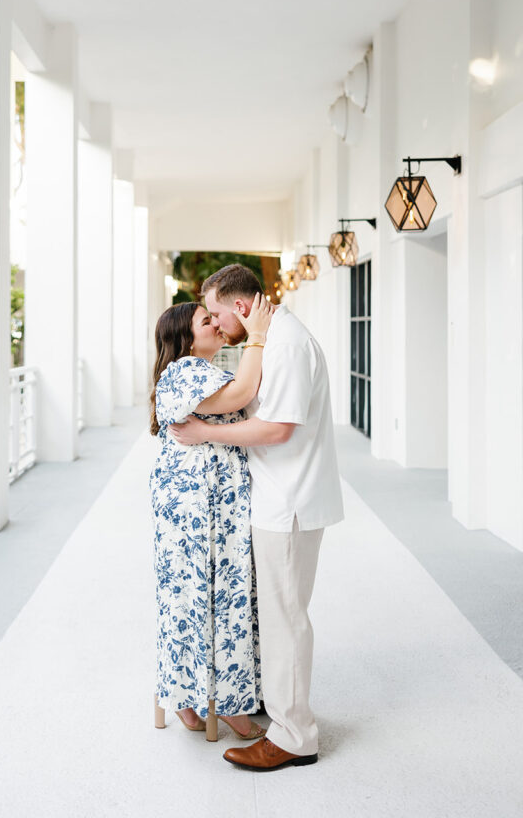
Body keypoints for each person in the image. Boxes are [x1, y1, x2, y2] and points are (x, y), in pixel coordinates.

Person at [171, 264, 344, 771]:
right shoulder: (276, 337)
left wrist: (205, 433)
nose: (218, 325)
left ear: (240, 306)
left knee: (285, 619)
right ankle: (282, 708)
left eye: (218, 313)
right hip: (280, 496)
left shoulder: (286, 344)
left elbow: (275, 430)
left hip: (288, 501)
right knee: (279, 614)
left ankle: (293, 737)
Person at [150, 294, 272, 741]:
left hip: (212, 500)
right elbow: (243, 393)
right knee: (208, 593)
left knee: (206, 593)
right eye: (207, 321)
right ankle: (221, 704)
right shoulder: (183, 370)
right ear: (185, 336)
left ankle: (193, 696)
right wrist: (256, 335)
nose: (217, 326)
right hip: (195, 504)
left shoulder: (199, 371)